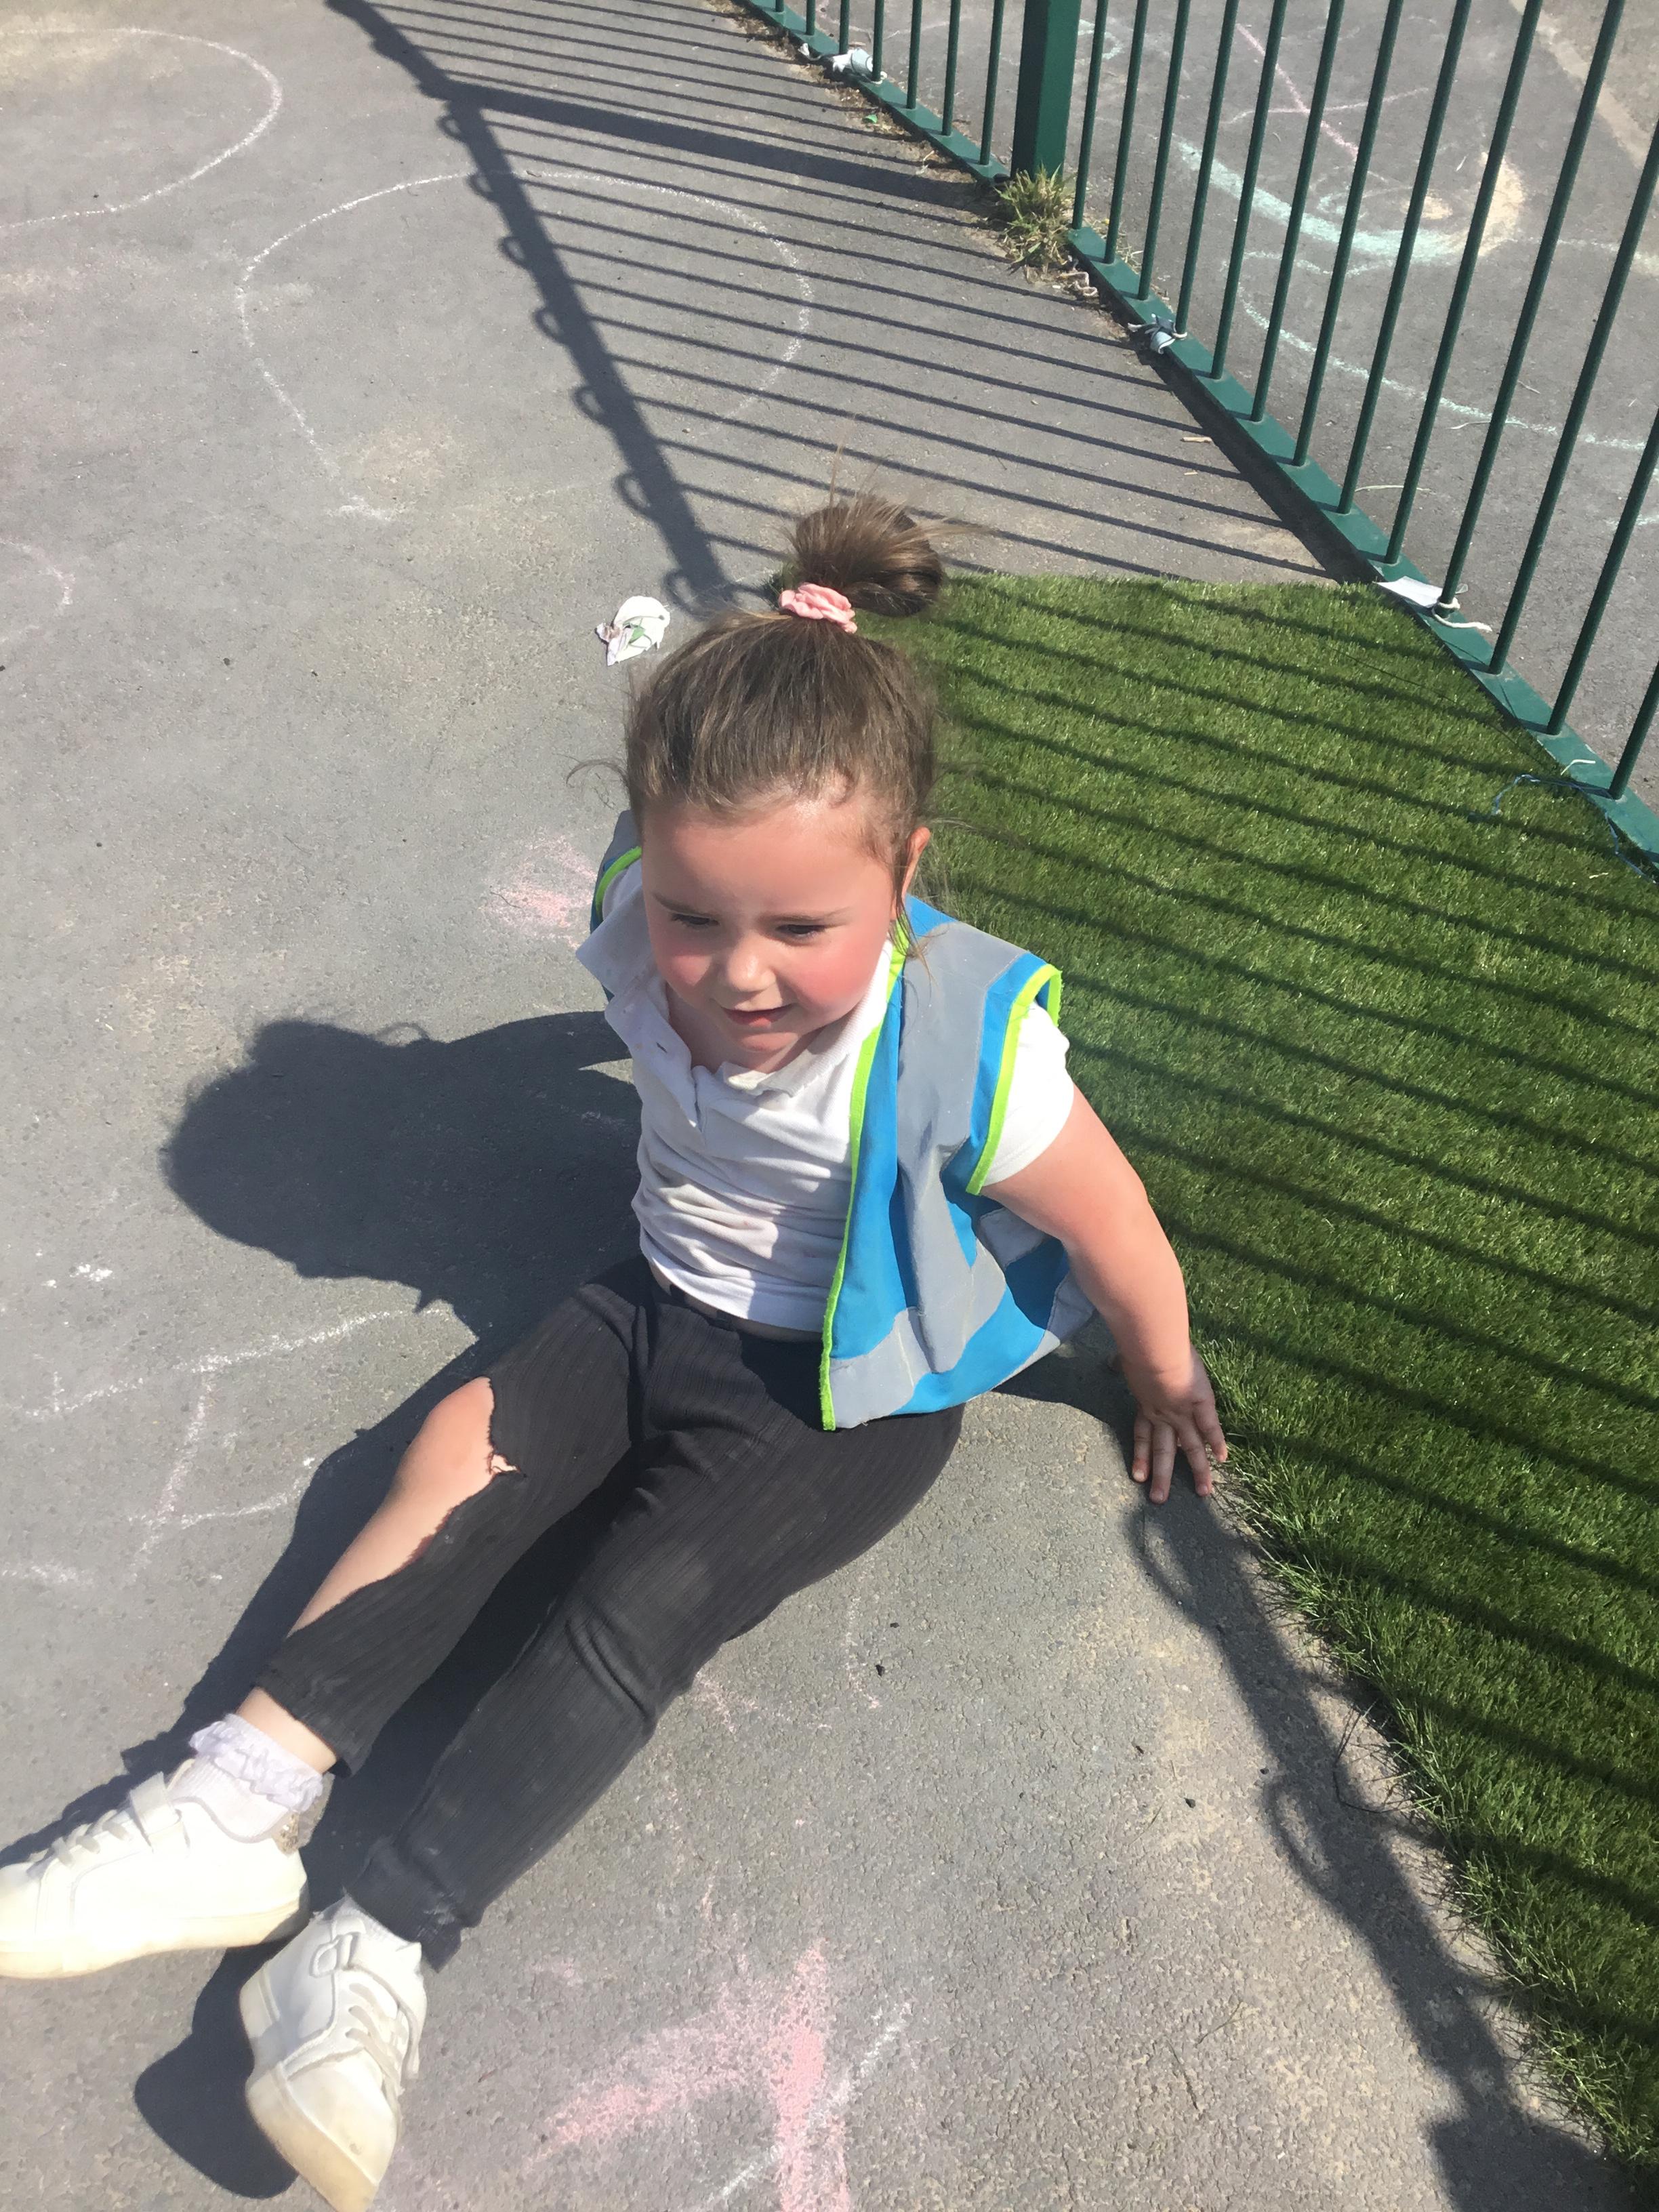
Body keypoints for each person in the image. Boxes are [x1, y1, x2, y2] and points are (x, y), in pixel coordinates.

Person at [0, 495, 1227, 2212]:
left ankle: (375, 1946)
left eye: (800, 929)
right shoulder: (642, 916)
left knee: (637, 1605)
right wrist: (463, 1068)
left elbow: (1111, 1215)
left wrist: (1161, 1371)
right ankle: (228, 1805)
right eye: (694, 915)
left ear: (907, 875)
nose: (737, 976)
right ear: (648, 860)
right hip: (652, 1302)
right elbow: (621, 976)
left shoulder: (966, 1042)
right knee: (458, 1451)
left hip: (842, 1397)